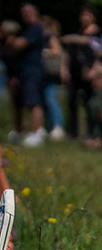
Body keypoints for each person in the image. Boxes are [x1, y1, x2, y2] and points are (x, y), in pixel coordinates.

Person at [5, 3, 46, 148]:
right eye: (23, 12)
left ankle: (36, 133)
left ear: (35, 12)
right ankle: (19, 131)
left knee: (33, 101)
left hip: (32, 70)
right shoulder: (27, 29)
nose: (24, 14)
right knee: (18, 102)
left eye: (27, 11)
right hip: (22, 71)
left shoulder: (35, 28)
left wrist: (9, 39)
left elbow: (19, 45)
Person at [62, 5, 100, 145]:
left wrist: (94, 70)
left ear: (93, 17)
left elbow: (98, 53)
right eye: (83, 15)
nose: (84, 18)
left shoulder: (97, 33)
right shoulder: (78, 32)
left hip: (90, 75)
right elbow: (68, 52)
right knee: (72, 103)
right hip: (74, 73)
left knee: (91, 105)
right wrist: (64, 69)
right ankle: (73, 133)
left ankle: (92, 134)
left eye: (88, 15)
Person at [41, 16, 66, 141]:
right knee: (46, 101)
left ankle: (58, 126)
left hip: (50, 74)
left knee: (51, 100)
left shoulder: (50, 37)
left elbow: (58, 51)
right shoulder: (46, 37)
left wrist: (44, 52)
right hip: (44, 74)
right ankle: (50, 126)